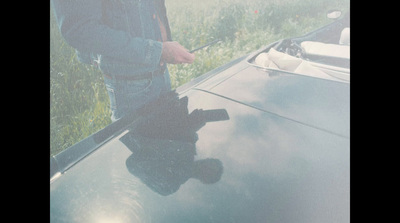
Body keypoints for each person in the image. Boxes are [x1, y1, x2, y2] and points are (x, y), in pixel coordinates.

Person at [51, 0, 195, 122]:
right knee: (146, 152)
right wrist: (157, 51)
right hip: (130, 87)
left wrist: (163, 46)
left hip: (161, 72)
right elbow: (79, 30)